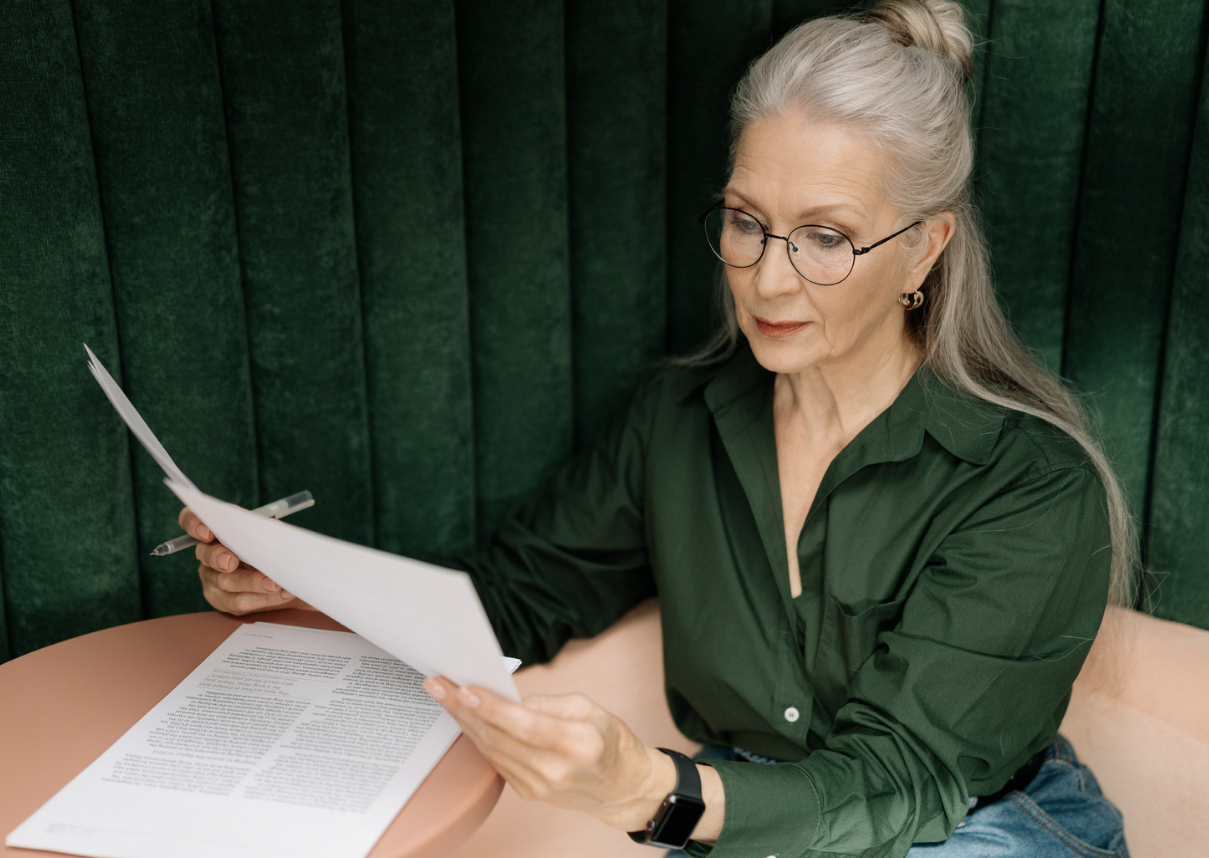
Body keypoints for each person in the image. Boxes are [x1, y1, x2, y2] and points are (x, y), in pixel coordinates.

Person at [181, 1, 1134, 855]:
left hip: (966, 829)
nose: (767, 279)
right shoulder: (676, 420)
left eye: (826, 237)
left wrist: (653, 792)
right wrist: (305, 585)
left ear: (924, 248)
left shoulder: (1031, 485)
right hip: (739, 821)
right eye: (747, 221)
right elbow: (516, 597)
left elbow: (897, 782)